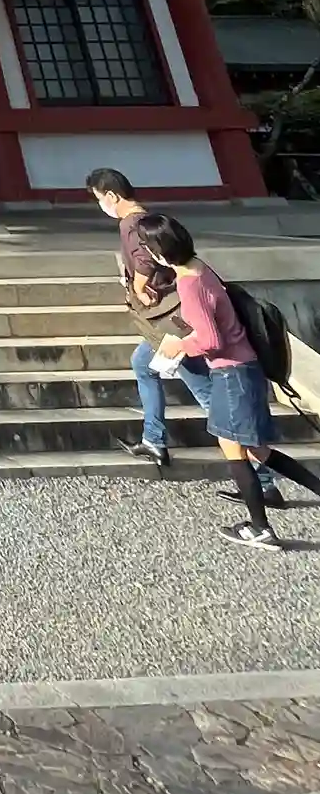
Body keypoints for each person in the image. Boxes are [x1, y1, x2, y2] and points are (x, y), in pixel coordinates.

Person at [87, 167, 282, 504]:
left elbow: (145, 262)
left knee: (210, 397)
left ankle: (264, 484)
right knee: (143, 364)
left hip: (175, 324)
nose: (100, 205)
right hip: (171, 321)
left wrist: (138, 286)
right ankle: (153, 439)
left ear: (111, 196)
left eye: (99, 199)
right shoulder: (147, 221)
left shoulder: (132, 224)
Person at [138, 211, 320, 548]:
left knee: (235, 449)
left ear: (158, 251)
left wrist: (179, 346)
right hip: (243, 368)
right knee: (256, 449)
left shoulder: (189, 284)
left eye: (148, 247)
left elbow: (210, 340)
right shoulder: (199, 267)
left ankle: (260, 528)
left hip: (231, 373)